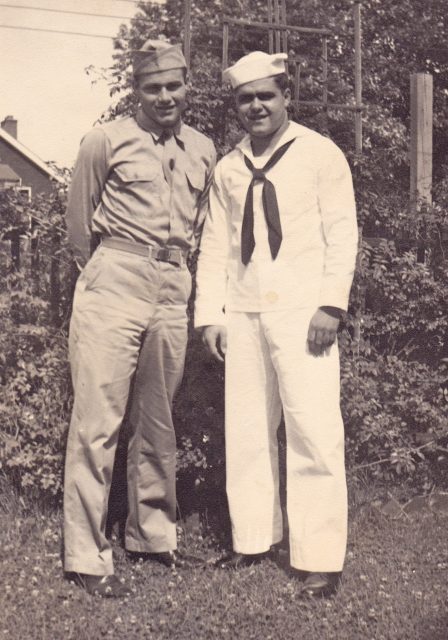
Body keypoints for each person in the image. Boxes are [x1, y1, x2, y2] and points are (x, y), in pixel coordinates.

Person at [195, 51, 358, 597]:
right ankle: (254, 538)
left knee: (312, 430)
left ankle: (319, 557)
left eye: (266, 95)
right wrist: (211, 315)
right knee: (246, 430)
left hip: (303, 313)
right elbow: (215, 245)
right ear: (236, 107)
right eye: (246, 98)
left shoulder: (319, 154)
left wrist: (331, 305)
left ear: (286, 96)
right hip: (243, 313)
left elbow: (342, 234)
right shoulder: (228, 168)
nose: (257, 106)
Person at [64, 39, 216, 598]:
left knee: (158, 420)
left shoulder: (203, 147)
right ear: (136, 91)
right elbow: (80, 226)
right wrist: (108, 276)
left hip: (173, 285)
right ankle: (85, 555)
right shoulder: (106, 140)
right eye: (152, 87)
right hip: (116, 277)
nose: (164, 96)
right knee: (98, 421)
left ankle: (152, 536)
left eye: (173, 85)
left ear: (187, 87)